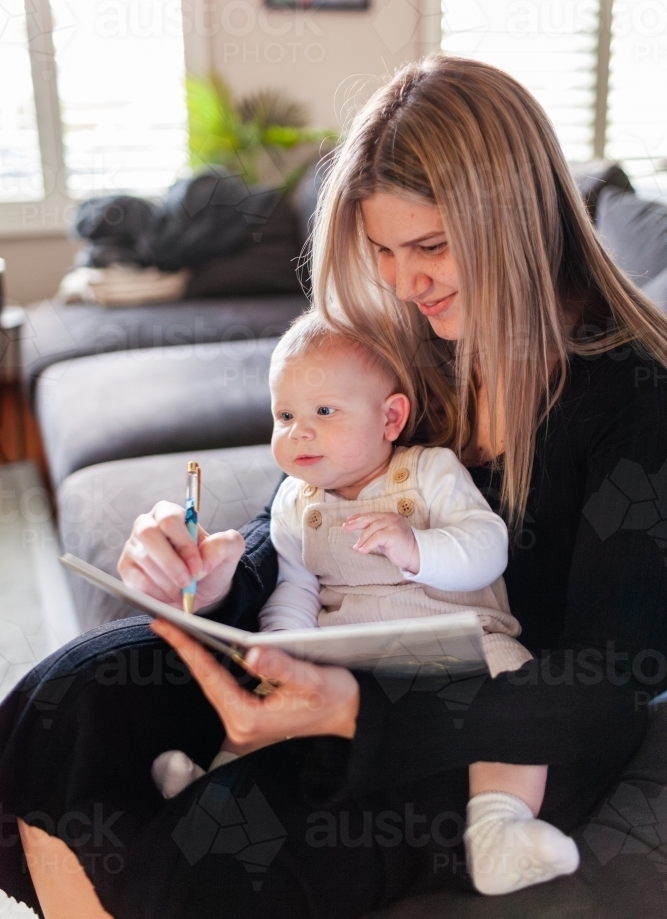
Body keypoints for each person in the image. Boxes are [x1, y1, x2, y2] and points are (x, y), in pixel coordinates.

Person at [2, 52, 667, 919]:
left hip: (505, 723)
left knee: (214, 853)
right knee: (63, 705)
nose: (402, 282)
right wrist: (214, 572)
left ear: (519, 218)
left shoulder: (635, 394)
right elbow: (327, 496)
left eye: (429, 246)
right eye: (384, 250)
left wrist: (358, 715)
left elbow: (611, 677)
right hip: (352, 640)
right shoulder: (423, 346)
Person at [153, 309, 578, 896]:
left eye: (324, 412)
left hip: (462, 639)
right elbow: (295, 589)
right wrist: (283, 647)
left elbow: (488, 548)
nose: (299, 431)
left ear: (390, 417)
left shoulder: (429, 471)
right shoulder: (294, 504)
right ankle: (211, 788)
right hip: (351, 652)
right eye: (285, 415)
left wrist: (415, 547)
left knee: (518, 688)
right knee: (273, 697)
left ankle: (499, 828)